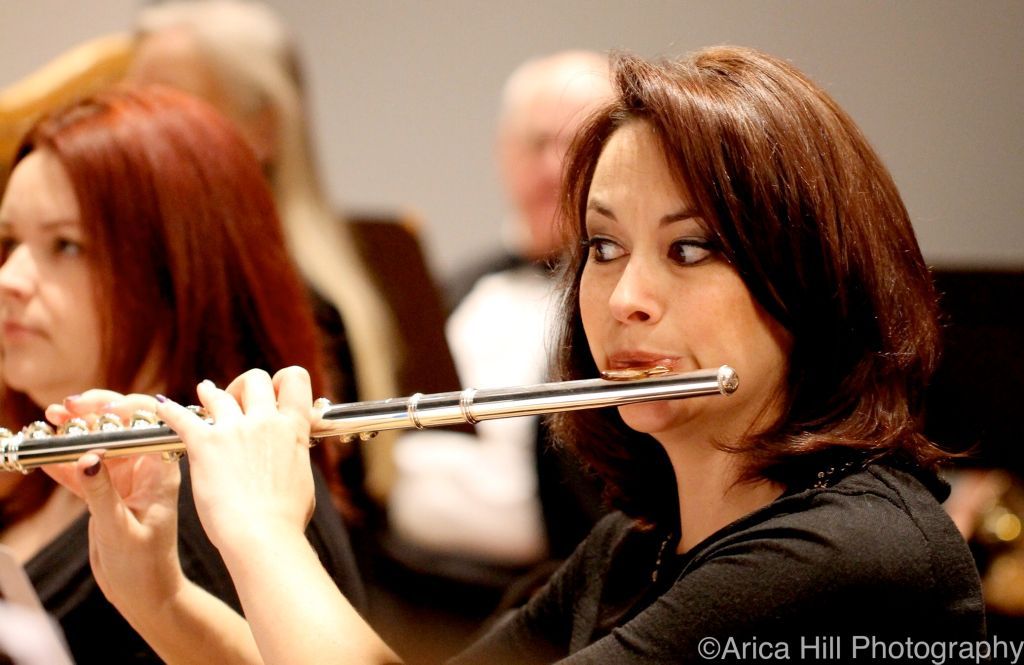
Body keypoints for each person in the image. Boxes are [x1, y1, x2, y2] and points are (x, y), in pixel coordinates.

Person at [48, 46, 985, 663]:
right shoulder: (634, 547)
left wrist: (258, 529)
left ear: (811, 277)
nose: (625, 298)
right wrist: (162, 595)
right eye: (604, 247)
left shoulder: (848, 555)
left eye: (691, 248)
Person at [0, 86, 364, 663]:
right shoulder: (36, 468)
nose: (10, 278)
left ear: (178, 270)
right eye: (10, 242)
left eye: (65, 245)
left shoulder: (220, 507)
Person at [128, 0, 406, 506]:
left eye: (173, 108)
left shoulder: (285, 299)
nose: (134, 137)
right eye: (132, 104)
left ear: (262, 128)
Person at [389, 50, 612, 568]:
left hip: (541, 601)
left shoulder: (633, 306)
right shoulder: (456, 287)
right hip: (400, 578)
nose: (554, 168)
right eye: (537, 143)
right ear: (502, 154)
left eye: (579, 146)